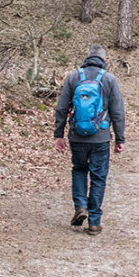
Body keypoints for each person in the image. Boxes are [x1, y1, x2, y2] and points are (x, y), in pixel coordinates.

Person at [54, 44, 125, 235]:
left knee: (78, 169)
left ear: (87, 57)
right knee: (98, 177)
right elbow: (118, 112)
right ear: (103, 58)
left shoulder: (73, 77)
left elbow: (61, 108)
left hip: (76, 135)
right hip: (100, 137)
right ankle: (94, 222)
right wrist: (120, 138)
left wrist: (58, 134)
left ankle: (80, 206)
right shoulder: (109, 79)